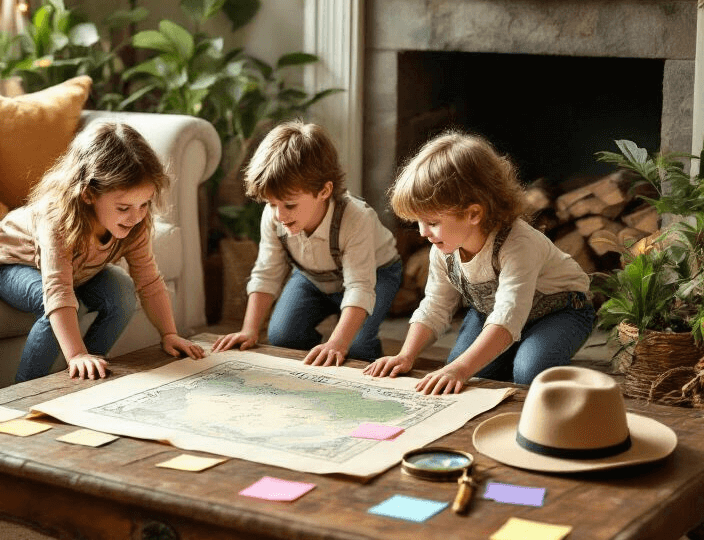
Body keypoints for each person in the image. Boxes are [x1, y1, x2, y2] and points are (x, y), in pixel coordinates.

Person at [365, 130, 594, 394]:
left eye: (432, 222)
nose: (422, 233)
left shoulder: (519, 244)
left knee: (527, 372)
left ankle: (537, 348)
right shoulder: (443, 249)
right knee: (462, 370)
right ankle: (513, 347)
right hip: (493, 311)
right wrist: (406, 355)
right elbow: (436, 306)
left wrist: (462, 368)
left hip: (562, 311)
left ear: (473, 213)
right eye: (418, 222)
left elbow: (508, 317)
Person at [0, 120, 205, 382]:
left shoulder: (137, 222)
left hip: (76, 272)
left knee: (122, 294)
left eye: (144, 204)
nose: (136, 216)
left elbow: (149, 281)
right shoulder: (59, 219)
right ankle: (24, 392)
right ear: (88, 195)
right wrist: (75, 353)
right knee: (51, 304)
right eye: (123, 208)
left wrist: (169, 334)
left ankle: (87, 371)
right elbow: (58, 290)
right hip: (14, 262)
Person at [212, 121, 402, 366]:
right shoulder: (275, 215)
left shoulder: (356, 218)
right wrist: (249, 330)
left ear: (324, 191)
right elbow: (267, 272)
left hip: (376, 274)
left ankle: (364, 352)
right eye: (272, 204)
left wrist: (338, 343)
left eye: (289, 205)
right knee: (283, 336)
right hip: (312, 276)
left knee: (355, 346)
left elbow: (360, 287)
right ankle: (320, 360)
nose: (279, 215)